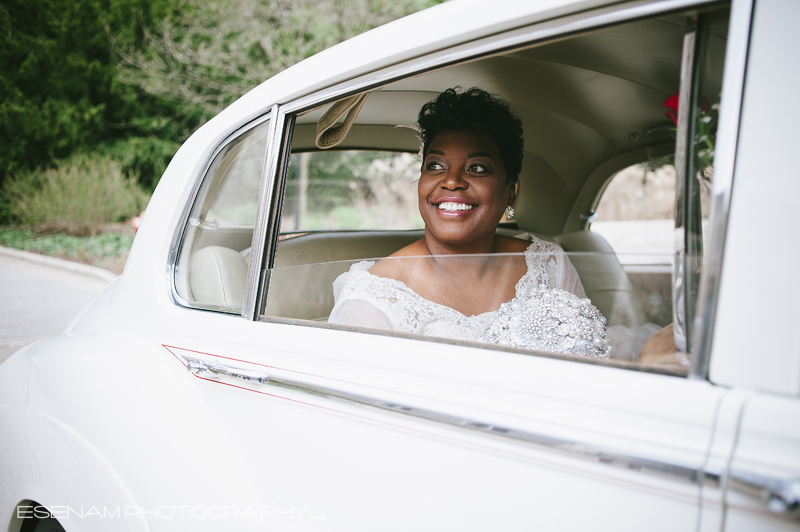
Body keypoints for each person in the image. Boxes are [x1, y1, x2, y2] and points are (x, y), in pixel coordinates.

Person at [329, 87, 611, 358]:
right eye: (435, 166)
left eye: (476, 168)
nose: (451, 181)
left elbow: (589, 360)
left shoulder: (548, 265)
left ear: (510, 191)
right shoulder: (375, 297)